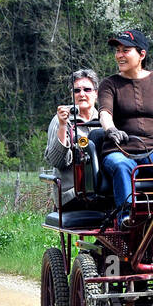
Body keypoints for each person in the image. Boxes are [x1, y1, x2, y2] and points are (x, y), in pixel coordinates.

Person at [98, 30, 153, 219]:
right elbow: (105, 113)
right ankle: (126, 217)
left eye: (125, 50)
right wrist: (110, 129)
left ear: (142, 54)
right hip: (118, 150)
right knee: (121, 165)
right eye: (117, 51)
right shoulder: (109, 84)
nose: (119, 55)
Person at [44, 68, 103, 204]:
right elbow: (57, 162)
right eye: (77, 90)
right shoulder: (59, 120)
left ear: (96, 93)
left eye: (87, 90)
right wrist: (63, 125)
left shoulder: (105, 119)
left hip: (103, 190)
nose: (82, 94)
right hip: (72, 193)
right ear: (72, 95)